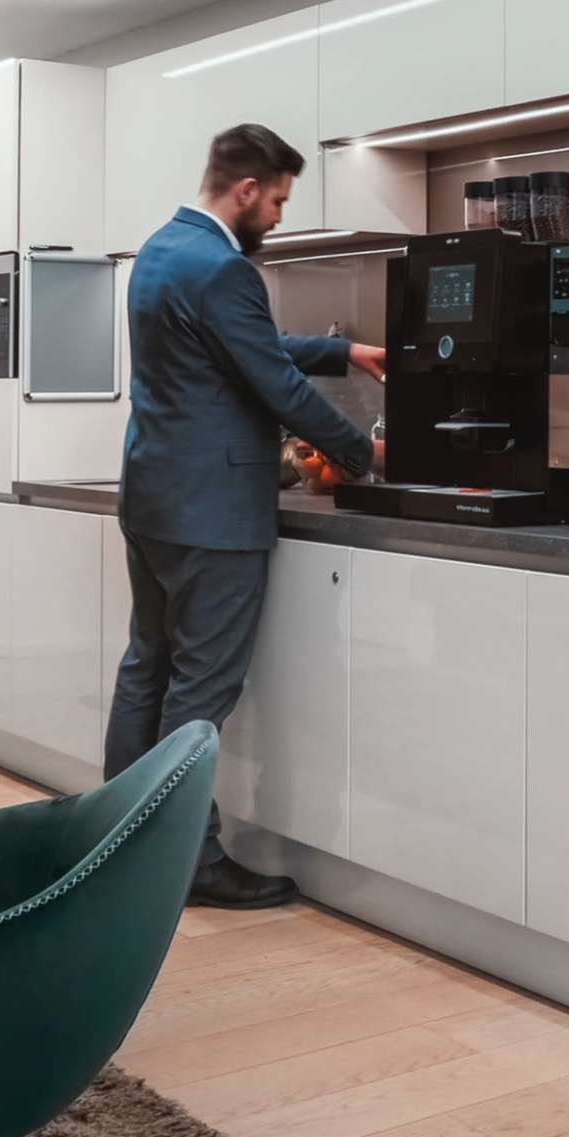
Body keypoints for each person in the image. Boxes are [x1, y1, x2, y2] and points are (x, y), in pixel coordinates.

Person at [107, 122, 384, 907]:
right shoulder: (225, 270)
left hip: (154, 498)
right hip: (213, 514)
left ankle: (115, 844)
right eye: (280, 202)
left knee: (146, 671)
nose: (280, 218)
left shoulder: (163, 249)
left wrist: (341, 352)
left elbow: (235, 345)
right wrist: (368, 455)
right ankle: (189, 864)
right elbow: (273, 385)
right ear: (247, 190)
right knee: (200, 692)